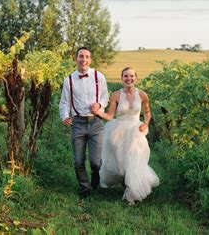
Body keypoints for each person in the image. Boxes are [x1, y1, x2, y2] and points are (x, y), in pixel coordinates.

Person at [94, 67, 159, 205]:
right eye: (125, 76)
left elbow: (147, 112)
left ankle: (131, 194)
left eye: (131, 76)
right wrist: (98, 112)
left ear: (136, 77)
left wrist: (146, 123)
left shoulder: (142, 95)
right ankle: (125, 182)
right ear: (122, 78)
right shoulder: (116, 95)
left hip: (136, 130)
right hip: (119, 130)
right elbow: (110, 115)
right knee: (121, 162)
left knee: (134, 159)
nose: (128, 79)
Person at [59, 47, 109, 200]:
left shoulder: (98, 77)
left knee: (95, 161)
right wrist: (64, 116)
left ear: (90, 60)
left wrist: (99, 106)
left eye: (87, 57)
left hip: (96, 123)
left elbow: (105, 97)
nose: (84, 59)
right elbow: (64, 102)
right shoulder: (68, 80)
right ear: (76, 59)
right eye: (81, 56)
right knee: (78, 161)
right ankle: (84, 188)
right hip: (78, 123)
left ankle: (95, 174)